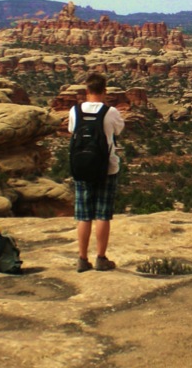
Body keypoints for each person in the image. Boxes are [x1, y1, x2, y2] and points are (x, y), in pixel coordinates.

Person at [70, 72, 125, 273]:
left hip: (82, 166)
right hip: (107, 167)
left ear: (87, 91)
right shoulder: (110, 112)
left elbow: (71, 131)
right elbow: (118, 131)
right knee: (102, 214)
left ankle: (82, 259)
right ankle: (101, 258)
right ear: (104, 91)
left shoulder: (74, 110)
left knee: (83, 215)